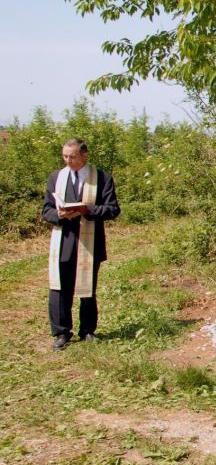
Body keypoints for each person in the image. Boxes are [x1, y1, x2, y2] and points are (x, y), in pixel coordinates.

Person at [42, 139, 120, 350]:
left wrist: (88, 210)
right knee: (60, 287)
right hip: (64, 240)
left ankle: (87, 330)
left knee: (87, 288)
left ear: (85, 155)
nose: (68, 160)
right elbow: (46, 210)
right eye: (65, 156)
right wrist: (59, 214)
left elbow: (113, 209)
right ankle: (61, 332)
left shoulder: (102, 178)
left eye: (73, 156)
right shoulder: (56, 178)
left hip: (90, 241)